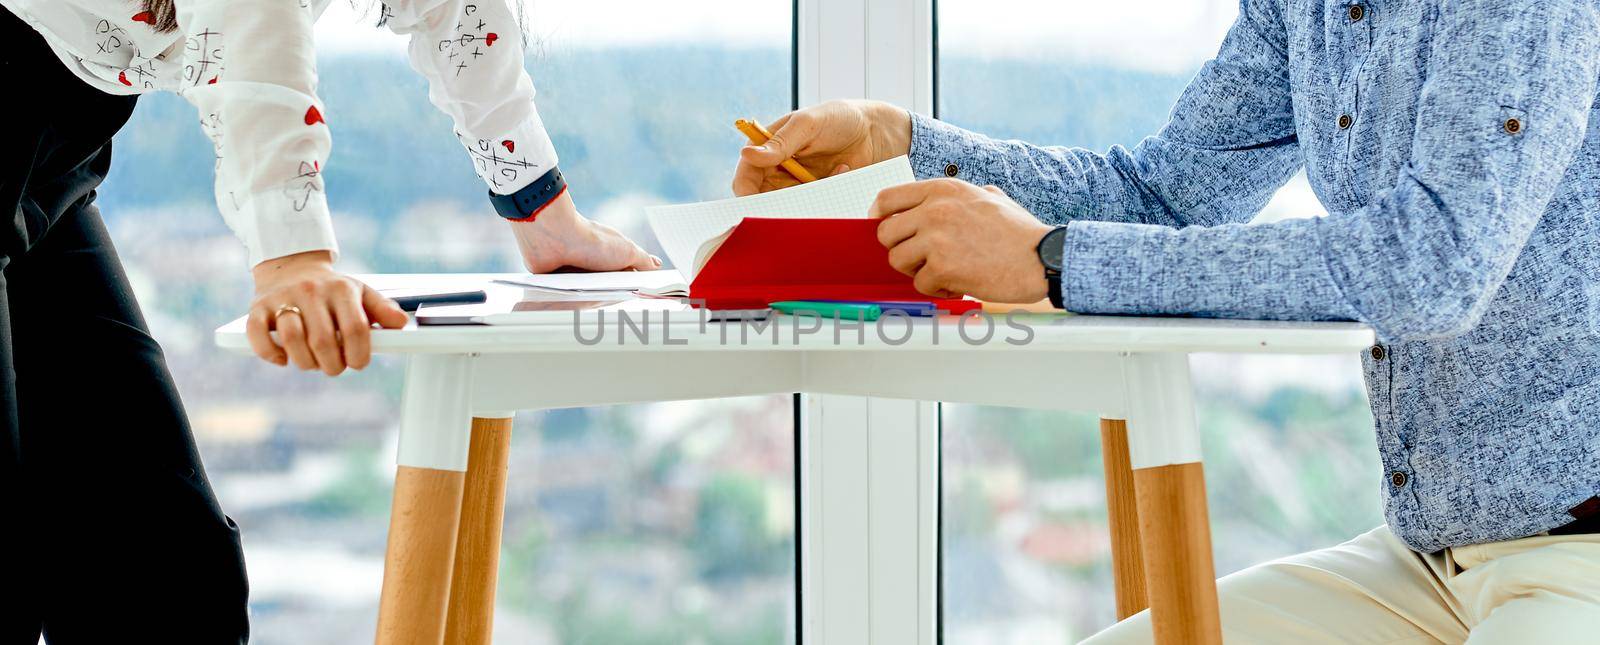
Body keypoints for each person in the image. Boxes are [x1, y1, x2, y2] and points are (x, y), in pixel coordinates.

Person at [735, 1, 1600, 641]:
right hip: (1427, 559)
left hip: (1577, 562)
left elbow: (1430, 266)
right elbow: (1165, 197)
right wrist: (907, 146)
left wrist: (1054, 261)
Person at [0, 0, 653, 641]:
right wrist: (291, 258)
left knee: (170, 586)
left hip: (49, 159)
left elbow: (457, 11)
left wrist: (542, 214)